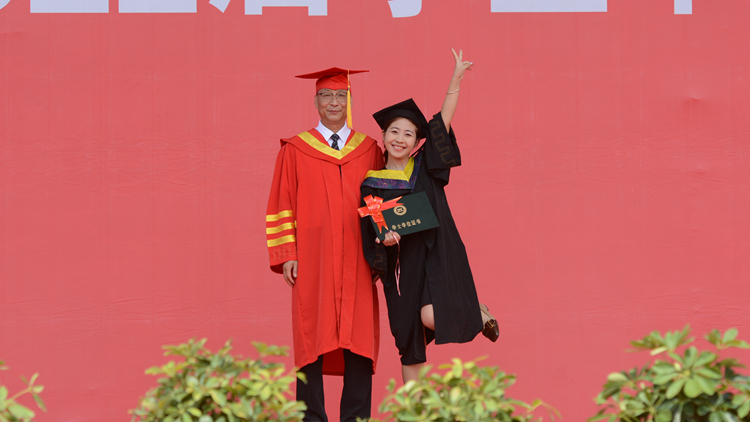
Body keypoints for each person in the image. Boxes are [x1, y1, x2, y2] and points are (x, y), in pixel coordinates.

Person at [359, 49, 499, 384]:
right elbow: (376, 227)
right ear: (384, 136)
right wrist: (385, 238)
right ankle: (414, 408)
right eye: (394, 132)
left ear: (416, 141)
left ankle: (475, 312)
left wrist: (455, 80)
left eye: (408, 134)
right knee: (408, 340)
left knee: (431, 316)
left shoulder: (423, 166)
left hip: (436, 251)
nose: (400, 139)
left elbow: (442, 123)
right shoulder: (372, 183)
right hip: (401, 265)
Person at [266, 67, 383, 422]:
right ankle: (311, 417)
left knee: (359, 337)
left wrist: (380, 254)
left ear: (350, 102)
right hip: (313, 258)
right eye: (326, 96)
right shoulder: (295, 150)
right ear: (315, 101)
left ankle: (356, 418)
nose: (334, 102)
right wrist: (287, 254)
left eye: (340, 96)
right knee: (311, 335)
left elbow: (379, 202)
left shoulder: (369, 149)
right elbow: (281, 203)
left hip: (358, 258)